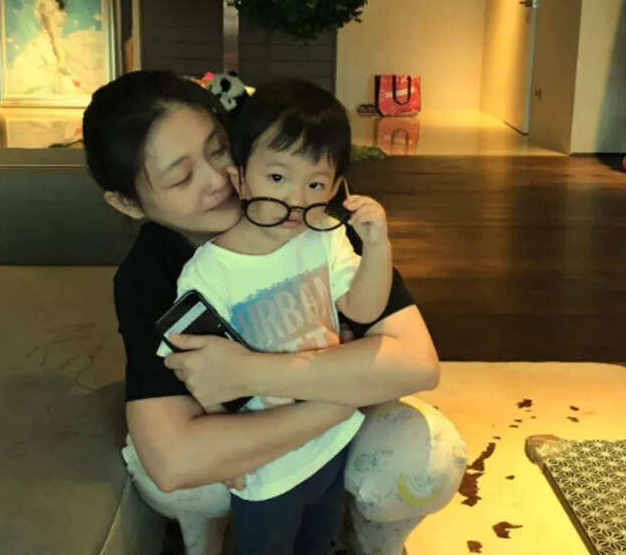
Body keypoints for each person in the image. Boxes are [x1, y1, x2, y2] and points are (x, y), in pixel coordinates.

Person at [83, 70, 468, 555]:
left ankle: (368, 539)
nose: (219, 180)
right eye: (181, 177)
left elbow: (416, 364)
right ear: (127, 202)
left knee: (426, 458)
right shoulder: (153, 275)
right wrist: (342, 399)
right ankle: (210, 541)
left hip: (311, 432)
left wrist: (250, 372)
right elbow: (172, 459)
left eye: (219, 149)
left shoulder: (308, 210)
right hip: (274, 443)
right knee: (185, 484)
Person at [167, 79, 393, 554]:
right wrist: (228, 454)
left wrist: (377, 246)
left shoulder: (324, 235)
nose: (297, 198)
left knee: (319, 543)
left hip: (331, 438)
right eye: (277, 178)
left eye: (315, 184)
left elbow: (363, 309)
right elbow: (197, 369)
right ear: (240, 177)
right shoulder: (207, 274)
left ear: (336, 188)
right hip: (268, 466)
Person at [7, 0, 103, 97]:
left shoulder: (55, 3)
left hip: (57, 41)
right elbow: (52, 33)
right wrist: (60, 58)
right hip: (49, 44)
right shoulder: (45, 3)